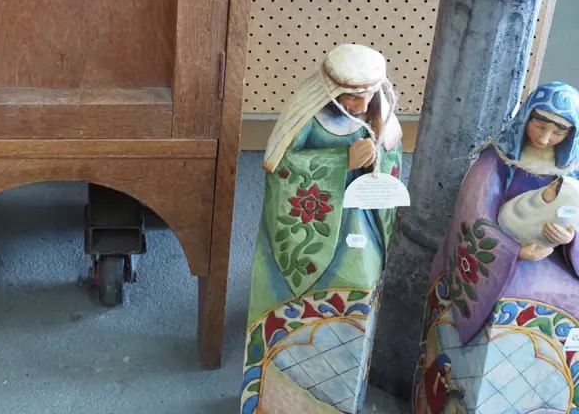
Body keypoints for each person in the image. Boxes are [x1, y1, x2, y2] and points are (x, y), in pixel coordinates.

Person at [241, 44, 404, 414]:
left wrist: (377, 156)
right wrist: (342, 161)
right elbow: (281, 167)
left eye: (367, 96)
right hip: (315, 224)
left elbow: (392, 157)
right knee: (310, 292)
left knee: (360, 282)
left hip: (358, 219)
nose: (360, 105)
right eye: (351, 96)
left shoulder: (378, 114)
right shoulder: (309, 116)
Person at [413, 82, 579, 414]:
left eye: (558, 132)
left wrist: (569, 237)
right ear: (526, 116)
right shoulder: (498, 160)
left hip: (553, 259)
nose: (545, 137)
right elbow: (473, 214)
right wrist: (512, 251)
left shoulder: (572, 171)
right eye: (539, 124)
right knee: (499, 307)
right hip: (497, 259)